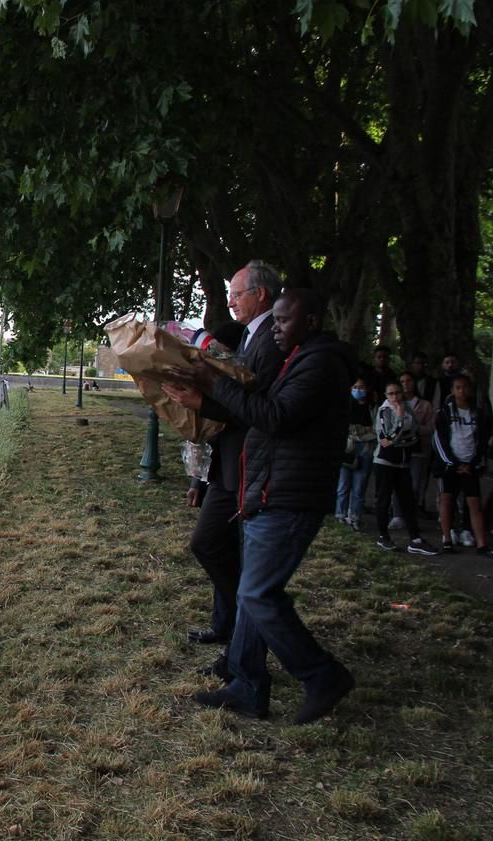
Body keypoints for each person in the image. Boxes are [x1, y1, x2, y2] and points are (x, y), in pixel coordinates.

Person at [164, 288, 356, 724]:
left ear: (311, 322)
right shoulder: (298, 358)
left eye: (284, 322)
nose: (275, 329)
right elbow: (259, 411)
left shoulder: (321, 363)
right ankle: (247, 685)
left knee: (257, 593)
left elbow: (274, 417)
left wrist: (214, 383)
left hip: (290, 495)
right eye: (275, 322)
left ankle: (321, 674)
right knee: (252, 595)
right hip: (268, 489)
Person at [182, 262, 285, 677]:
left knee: (223, 551)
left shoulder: (271, 340)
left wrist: (202, 398)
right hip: (230, 462)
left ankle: (247, 627)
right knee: (211, 545)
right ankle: (232, 624)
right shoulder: (249, 335)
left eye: (237, 294)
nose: (230, 302)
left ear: (261, 294)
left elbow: (255, 407)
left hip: (250, 464)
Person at [371, 382, 438, 555]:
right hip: (385, 462)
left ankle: (415, 539)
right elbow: (386, 439)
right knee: (383, 499)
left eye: (397, 393)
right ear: (386, 395)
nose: (395, 397)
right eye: (391, 394)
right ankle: (383, 536)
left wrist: (398, 438)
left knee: (408, 500)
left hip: (403, 461)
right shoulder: (384, 410)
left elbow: (414, 432)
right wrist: (399, 423)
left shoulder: (407, 408)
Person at [432, 373, 492, 555]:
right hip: (450, 465)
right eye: (457, 387)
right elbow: (439, 441)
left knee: (474, 502)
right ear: (452, 390)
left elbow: (483, 442)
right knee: (447, 499)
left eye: (465, 387)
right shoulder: (444, 413)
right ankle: (447, 539)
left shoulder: (478, 414)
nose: (462, 391)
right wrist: (452, 463)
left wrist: (473, 464)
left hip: (470, 464)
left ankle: (481, 543)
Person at [335, 376, 375, 530]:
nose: (358, 390)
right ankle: (340, 515)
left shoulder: (372, 407)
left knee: (360, 486)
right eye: (355, 387)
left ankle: (355, 517)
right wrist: (362, 430)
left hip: (366, 449)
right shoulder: (345, 406)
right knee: (343, 485)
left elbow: (375, 430)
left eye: (361, 387)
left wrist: (360, 431)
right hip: (347, 448)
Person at [398, 371, 436, 518]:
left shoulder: (425, 404)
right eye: (402, 381)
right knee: (398, 483)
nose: (406, 384)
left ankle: (411, 513)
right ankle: (397, 514)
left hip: (418, 448)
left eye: (409, 381)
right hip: (398, 448)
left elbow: (431, 426)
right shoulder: (395, 402)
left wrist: (415, 428)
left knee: (415, 484)